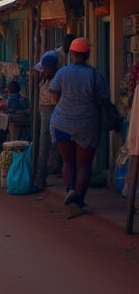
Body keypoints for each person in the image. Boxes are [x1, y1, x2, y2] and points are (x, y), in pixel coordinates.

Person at [48, 37, 109, 218]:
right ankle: (79, 200)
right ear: (87, 54)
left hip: (62, 122)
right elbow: (103, 98)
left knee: (68, 162)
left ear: (72, 54)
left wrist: (63, 106)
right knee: (84, 165)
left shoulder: (63, 73)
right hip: (87, 124)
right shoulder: (95, 74)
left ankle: (70, 189)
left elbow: (54, 93)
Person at [33, 51, 59, 189]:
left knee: (47, 143)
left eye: (45, 68)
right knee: (44, 142)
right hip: (43, 111)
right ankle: (42, 173)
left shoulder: (56, 79)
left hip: (53, 111)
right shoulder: (44, 79)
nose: (43, 70)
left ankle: (42, 174)